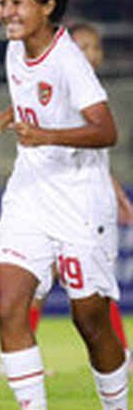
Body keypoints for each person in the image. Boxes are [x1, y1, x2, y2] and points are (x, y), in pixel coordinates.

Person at [0, 0, 129, 410]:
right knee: (8, 305)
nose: (6, 12)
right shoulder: (15, 49)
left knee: (90, 321)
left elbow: (106, 130)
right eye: (2, 1)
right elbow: (28, 101)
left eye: (17, 2)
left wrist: (47, 136)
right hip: (30, 194)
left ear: (48, 7)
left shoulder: (68, 60)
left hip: (80, 201)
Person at [25, 23, 131, 360]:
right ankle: (19, 353)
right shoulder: (59, 87)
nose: (91, 54)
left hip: (86, 197)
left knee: (96, 280)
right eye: (83, 47)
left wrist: (116, 193)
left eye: (95, 47)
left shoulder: (92, 93)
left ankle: (121, 353)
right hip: (57, 196)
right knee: (43, 282)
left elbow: (94, 156)